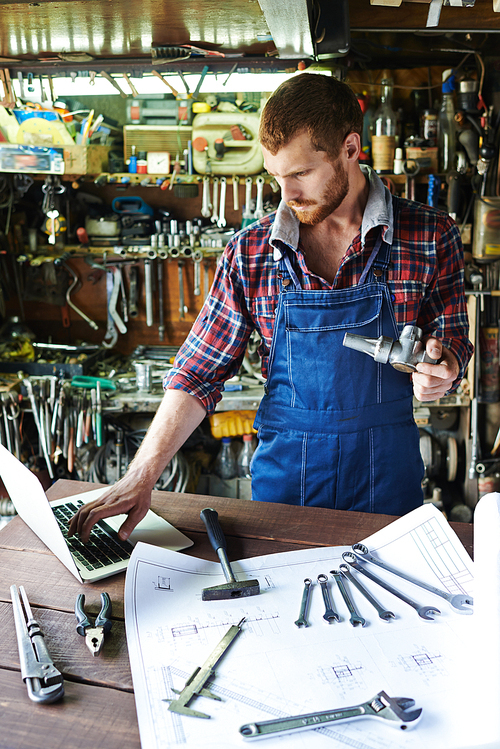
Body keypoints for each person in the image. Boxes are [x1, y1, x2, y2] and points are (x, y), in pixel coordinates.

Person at [69, 73, 473, 543]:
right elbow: (199, 372)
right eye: (276, 176)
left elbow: (454, 339)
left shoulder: (429, 234)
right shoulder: (251, 252)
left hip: (388, 482)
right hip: (287, 487)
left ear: (350, 148)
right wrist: (142, 475)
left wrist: (443, 368)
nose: (288, 194)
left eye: (301, 173)